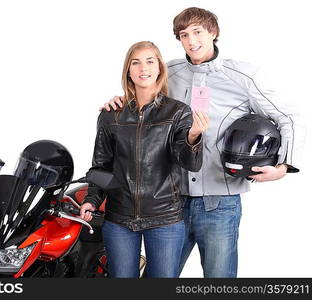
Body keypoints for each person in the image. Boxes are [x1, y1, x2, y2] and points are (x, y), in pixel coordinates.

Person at [101, 7, 300, 278]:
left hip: (220, 202)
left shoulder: (242, 76)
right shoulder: (167, 71)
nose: (192, 40)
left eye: (198, 32)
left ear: (213, 33)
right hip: (169, 202)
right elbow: (142, 91)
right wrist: (119, 101)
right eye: (184, 34)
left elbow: (288, 118)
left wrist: (283, 166)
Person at [78, 41, 208, 278]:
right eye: (135, 62)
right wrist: (92, 200)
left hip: (165, 219)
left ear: (159, 68)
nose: (143, 68)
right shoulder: (110, 115)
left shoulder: (177, 112)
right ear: (128, 70)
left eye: (150, 61)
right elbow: (101, 167)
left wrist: (193, 136)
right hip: (119, 219)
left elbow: (191, 163)